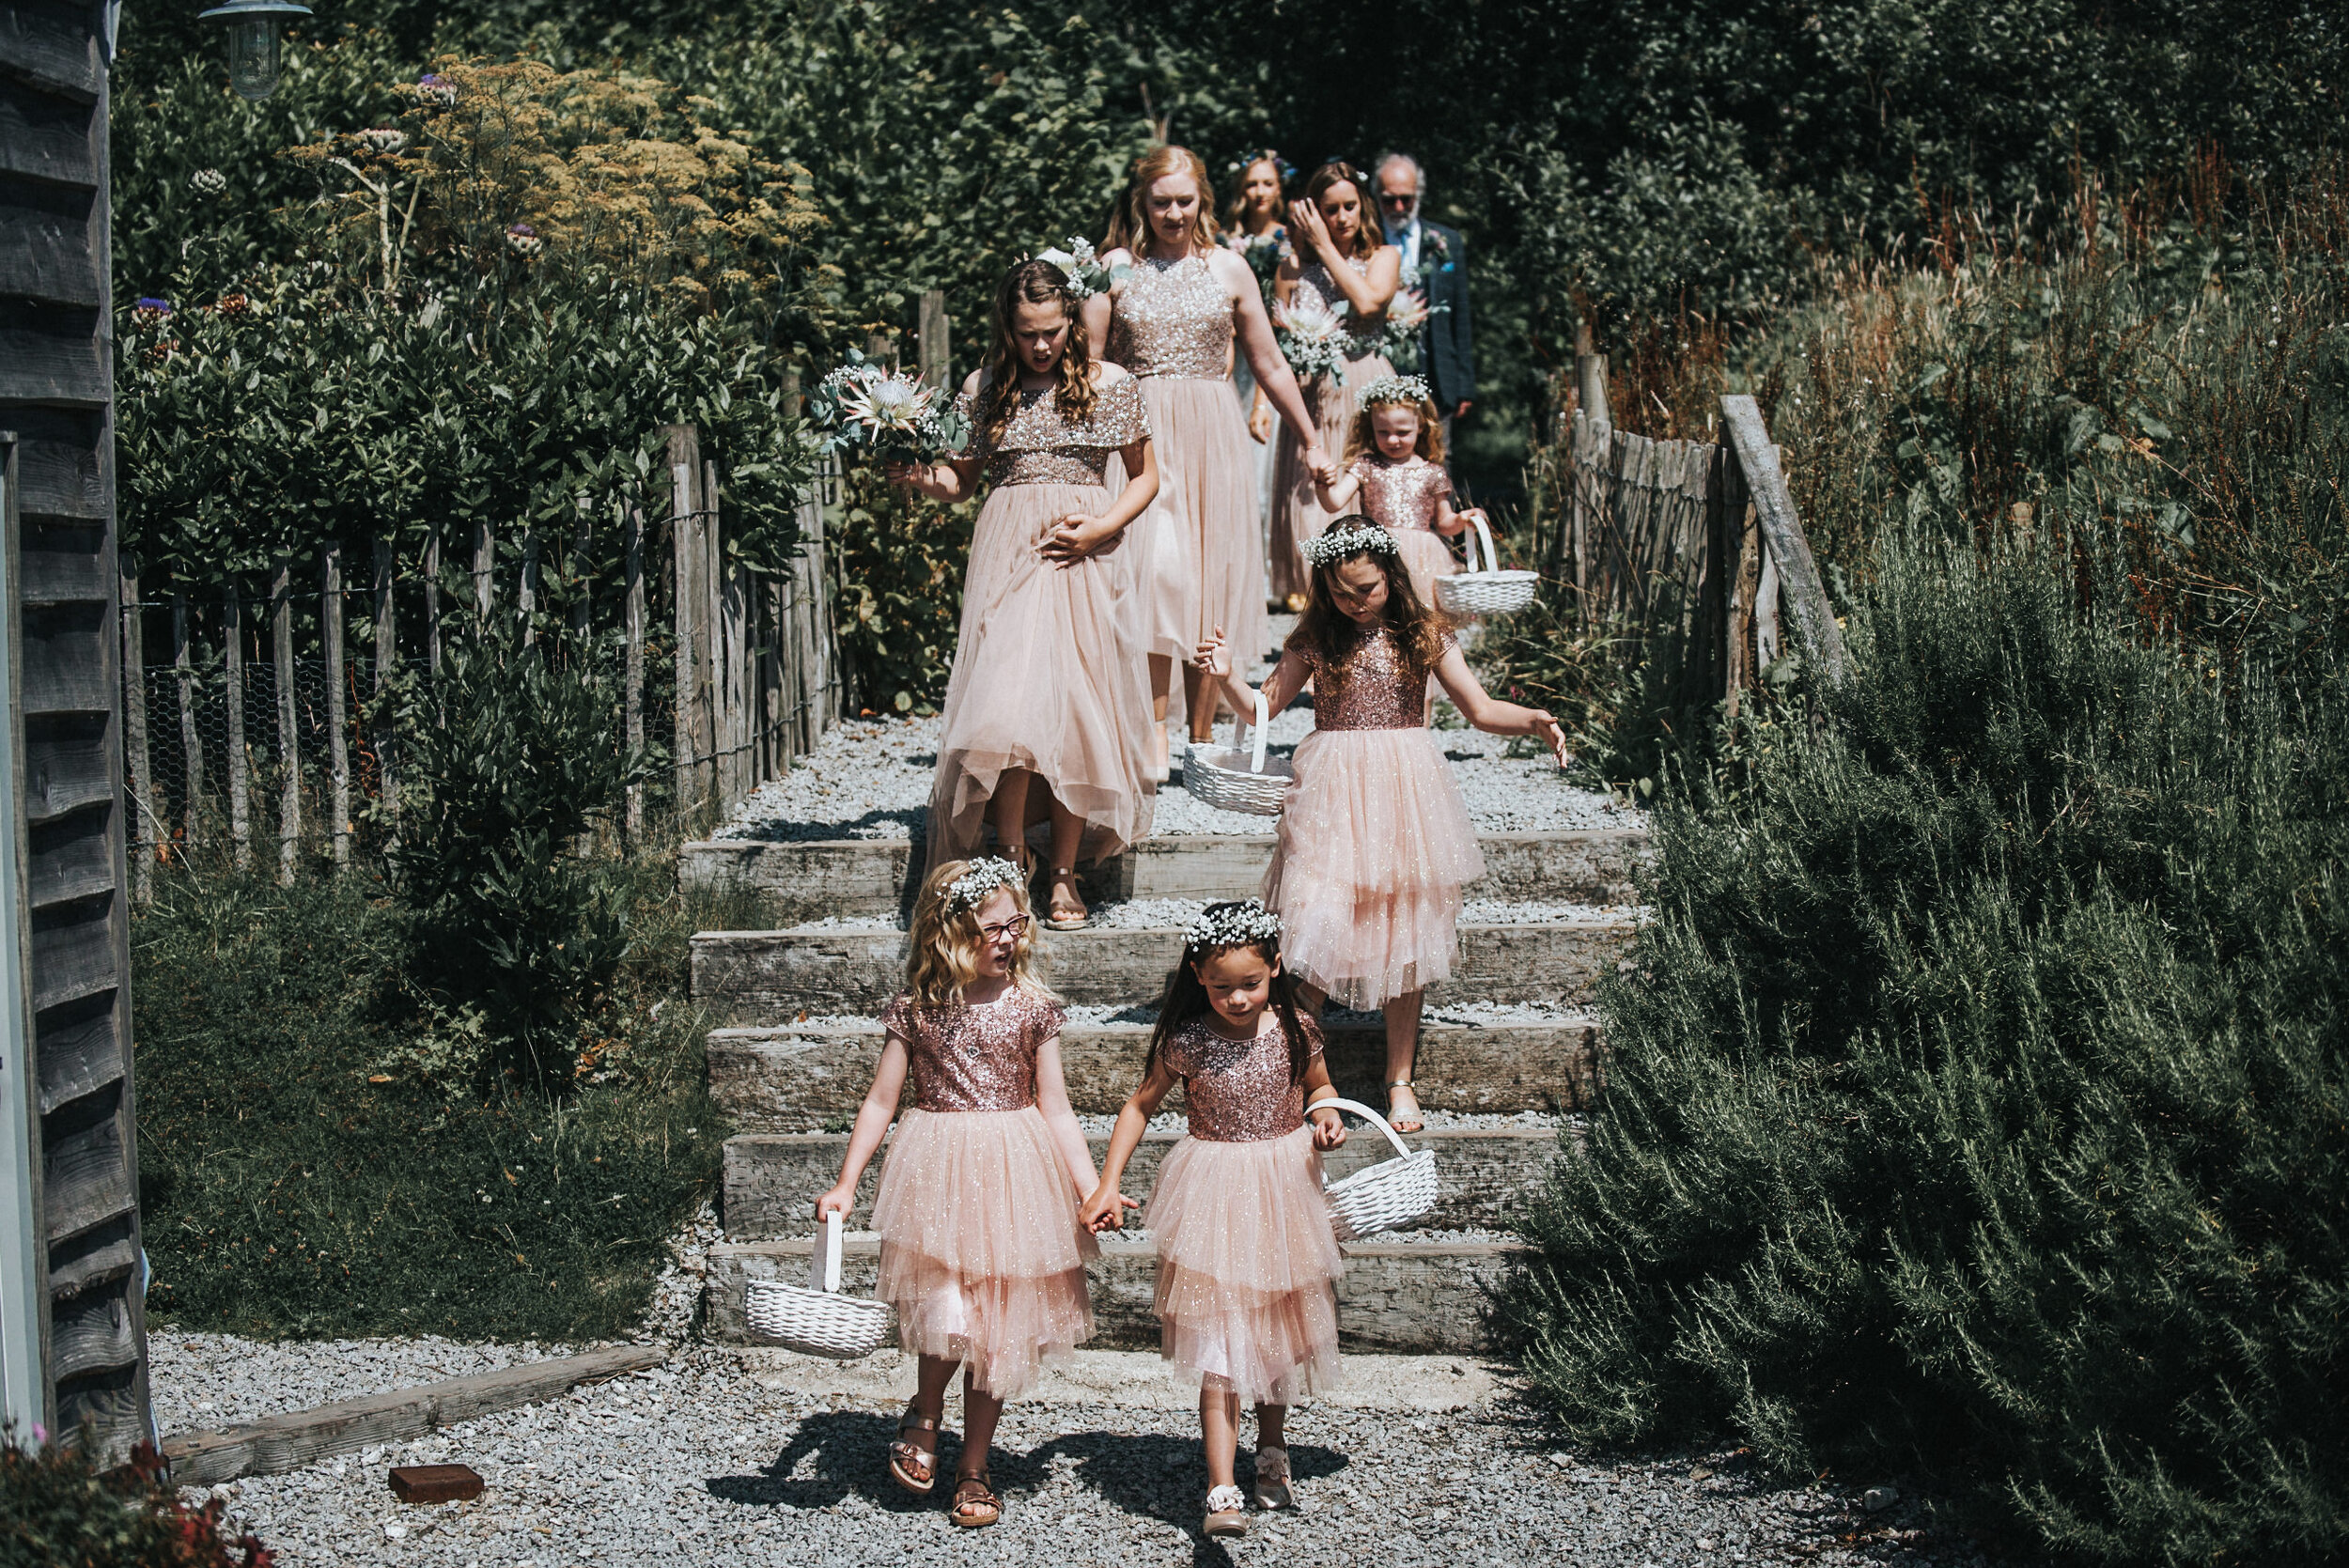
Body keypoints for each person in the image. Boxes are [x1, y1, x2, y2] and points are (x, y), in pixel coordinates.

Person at [1192, 522, 1567, 1134]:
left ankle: (1400, 1080)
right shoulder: (1317, 635)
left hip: (1404, 791)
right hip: (1332, 791)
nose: (1354, 601)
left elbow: (1479, 707)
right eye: (1340, 592)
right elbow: (1261, 706)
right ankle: (1308, 1077)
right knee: (1311, 926)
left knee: (1405, 934)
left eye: (1365, 589)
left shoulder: (1424, 633)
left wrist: (1533, 720)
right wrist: (1228, 675)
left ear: (1391, 577)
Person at [816, 857, 1116, 1529]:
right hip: (941, 1169)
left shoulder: (1032, 1008)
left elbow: (1058, 1108)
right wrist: (845, 1183)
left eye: (1017, 924)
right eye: (993, 927)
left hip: (1016, 1172)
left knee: (999, 1325)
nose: (1008, 938)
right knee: (947, 1309)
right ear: (950, 931)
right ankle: (924, 1415)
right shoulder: (920, 1010)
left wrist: (1092, 1187)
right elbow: (881, 1101)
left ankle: (974, 1464)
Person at [893, 259, 1159, 928]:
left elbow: (1146, 478)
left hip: (1082, 556)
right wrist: (917, 476)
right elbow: (960, 482)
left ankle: (1065, 872)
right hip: (1009, 552)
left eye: (1050, 330)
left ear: (1072, 318)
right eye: (1025, 333)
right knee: (1006, 716)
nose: (1040, 345)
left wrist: (1101, 526)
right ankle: (1010, 862)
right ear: (1006, 329)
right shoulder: (987, 386)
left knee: (1076, 712)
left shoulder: (1111, 384)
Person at [1079, 900, 1347, 1540]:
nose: (1236, 997)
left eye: (1250, 983)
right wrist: (1108, 1179)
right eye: (1222, 984)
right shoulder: (1189, 1040)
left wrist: (1326, 1114)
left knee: (1277, 1329)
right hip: (1213, 1196)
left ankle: (1273, 1446)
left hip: (1283, 1192)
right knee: (1221, 1345)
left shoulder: (1295, 1028)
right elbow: (1140, 1105)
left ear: (1275, 967)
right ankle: (1220, 1485)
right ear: (1197, 974)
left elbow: (1321, 1086)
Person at [1087, 147, 1331, 760]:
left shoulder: (1229, 268)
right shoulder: (1115, 267)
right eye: (1161, 201)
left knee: (1205, 571)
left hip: (1210, 432)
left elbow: (1269, 362)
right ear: (1142, 201)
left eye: (1184, 201)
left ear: (1203, 202)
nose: (1173, 213)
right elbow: (1086, 364)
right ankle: (1152, 726)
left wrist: (1311, 437)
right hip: (1138, 429)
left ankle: (1201, 733)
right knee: (1153, 571)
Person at [1268, 162, 1398, 606]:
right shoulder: (1289, 268)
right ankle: (1321, 622)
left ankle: (1370, 606)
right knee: (1310, 506)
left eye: (1349, 207)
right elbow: (1274, 347)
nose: (1341, 218)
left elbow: (1366, 301)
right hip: (1311, 400)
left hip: (1365, 391)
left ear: (1363, 207)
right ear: (1312, 212)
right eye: (1329, 210)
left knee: (1367, 501)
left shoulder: (1384, 257)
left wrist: (1323, 248)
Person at [1313, 372, 1489, 608]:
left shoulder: (1432, 472)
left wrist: (1463, 519)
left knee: (1419, 609)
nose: (1393, 440)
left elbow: (1444, 523)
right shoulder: (1366, 465)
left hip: (1422, 557)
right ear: (1371, 429)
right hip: (1377, 553)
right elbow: (1334, 502)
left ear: (1421, 427)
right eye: (1383, 432)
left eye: (1403, 432)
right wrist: (1324, 486)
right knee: (1382, 608)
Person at [1375, 153, 1476, 449]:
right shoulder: (1367, 239)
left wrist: (1464, 383)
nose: (1398, 207)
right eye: (1388, 199)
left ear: (1418, 195)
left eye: (1406, 199)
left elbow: (1461, 315)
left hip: (1435, 371)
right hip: (1384, 370)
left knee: (1437, 464)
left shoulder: (1446, 241)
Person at [1223, 151, 1290, 572]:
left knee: (1269, 463)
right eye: (1252, 184)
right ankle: (1238, 561)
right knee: (1236, 463)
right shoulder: (1223, 240)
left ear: (1279, 188)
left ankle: (1270, 566)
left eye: (1267, 183)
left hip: (1270, 356)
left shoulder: (1287, 240)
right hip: (1231, 354)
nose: (1260, 192)